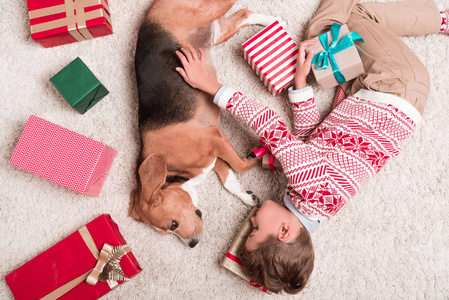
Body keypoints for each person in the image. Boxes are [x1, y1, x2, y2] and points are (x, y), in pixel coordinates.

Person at [174, 0, 449, 294]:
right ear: (284, 231)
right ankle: (440, 20)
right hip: (395, 85)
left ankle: (423, 22)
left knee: (321, 58)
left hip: (371, 94)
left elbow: (315, 140)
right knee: (330, 26)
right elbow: (268, 123)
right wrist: (208, 85)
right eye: (255, 229)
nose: (251, 220)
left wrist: (301, 83)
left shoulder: (316, 208)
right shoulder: (310, 187)